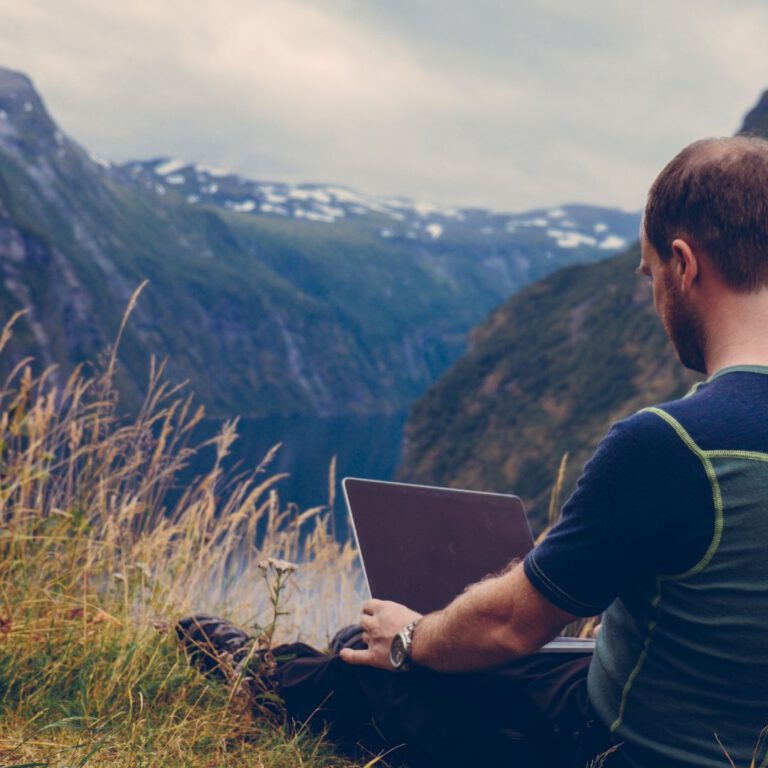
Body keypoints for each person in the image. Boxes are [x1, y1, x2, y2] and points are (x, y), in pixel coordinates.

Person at [178, 135, 768, 767]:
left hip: (626, 746)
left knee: (384, 662)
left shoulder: (670, 447)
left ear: (685, 264)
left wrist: (410, 636)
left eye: (652, 276)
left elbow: (512, 624)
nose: (656, 298)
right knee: (472, 655)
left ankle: (261, 678)